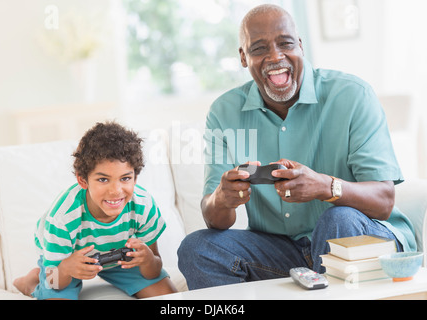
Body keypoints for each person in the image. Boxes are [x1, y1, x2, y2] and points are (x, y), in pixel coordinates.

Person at [177, 4, 417, 290]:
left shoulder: (352, 95)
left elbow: (384, 200)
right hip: (283, 250)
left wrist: (325, 187)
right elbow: (214, 218)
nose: (275, 57)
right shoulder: (224, 112)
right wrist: (223, 198)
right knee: (197, 248)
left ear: (301, 46)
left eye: (285, 43)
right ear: (243, 57)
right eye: (258, 48)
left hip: (361, 240)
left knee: (338, 219)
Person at [13, 121, 177, 299]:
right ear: (83, 180)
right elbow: (54, 280)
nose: (116, 191)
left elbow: (153, 270)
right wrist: (67, 268)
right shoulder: (62, 219)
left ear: (135, 178)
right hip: (66, 262)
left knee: (168, 296)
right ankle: (31, 282)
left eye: (125, 178)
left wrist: (148, 261)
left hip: (119, 256)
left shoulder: (143, 206)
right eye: (103, 180)